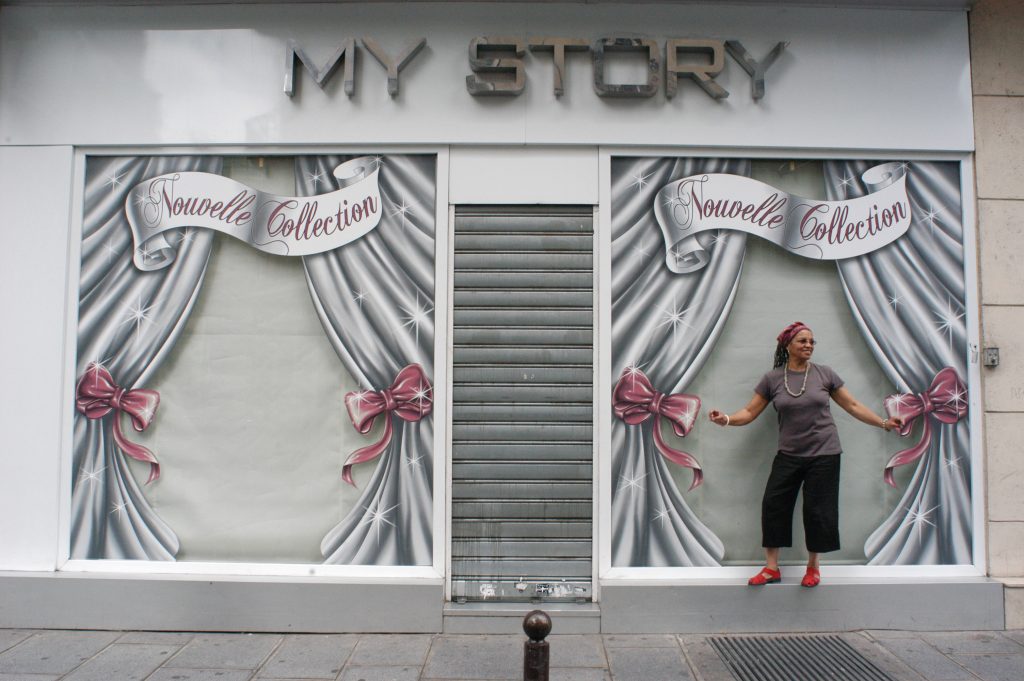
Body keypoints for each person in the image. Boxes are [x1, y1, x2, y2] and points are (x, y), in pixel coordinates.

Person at [707, 321, 903, 588]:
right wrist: (727, 419)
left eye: (812, 341)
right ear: (787, 346)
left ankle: (813, 567)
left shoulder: (824, 374)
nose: (808, 345)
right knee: (773, 505)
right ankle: (771, 568)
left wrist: (883, 422)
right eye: (803, 341)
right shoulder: (773, 379)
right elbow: (750, 412)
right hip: (789, 454)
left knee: (818, 511)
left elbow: (853, 405)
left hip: (825, 453)